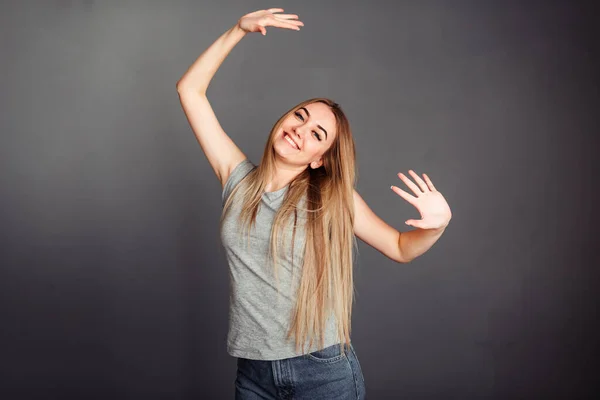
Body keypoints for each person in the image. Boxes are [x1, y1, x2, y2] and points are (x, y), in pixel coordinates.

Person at [176, 8, 452, 399]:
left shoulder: (332, 199)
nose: (300, 130)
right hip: (253, 371)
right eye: (299, 117)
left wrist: (435, 226)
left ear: (319, 158)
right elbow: (190, 91)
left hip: (321, 370)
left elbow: (400, 248)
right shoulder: (237, 180)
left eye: (316, 133)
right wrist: (237, 30)